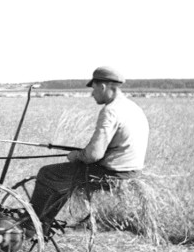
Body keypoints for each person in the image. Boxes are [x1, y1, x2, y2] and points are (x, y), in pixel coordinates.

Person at [28, 66, 149, 238]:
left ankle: (30, 223)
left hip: (112, 173)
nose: (93, 94)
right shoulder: (133, 107)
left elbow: (93, 155)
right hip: (131, 170)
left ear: (103, 87)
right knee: (63, 179)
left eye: (94, 89)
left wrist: (76, 155)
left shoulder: (111, 111)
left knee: (47, 173)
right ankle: (43, 223)